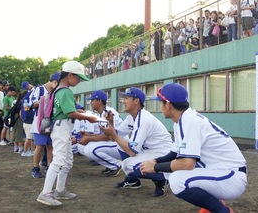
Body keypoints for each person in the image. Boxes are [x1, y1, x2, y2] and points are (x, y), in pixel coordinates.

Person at [140, 83, 247, 213]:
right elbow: (174, 153)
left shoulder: (189, 121)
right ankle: (215, 207)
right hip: (221, 172)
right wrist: (155, 161)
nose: (161, 106)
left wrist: (155, 167)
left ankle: (222, 211)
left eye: (161, 103)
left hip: (230, 176)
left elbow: (187, 164)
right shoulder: (183, 120)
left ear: (168, 104)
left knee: (177, 180)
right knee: (173, 173)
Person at [37, 60, 99, 206]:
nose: (79, 81)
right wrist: (88, 117)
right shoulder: (65, 91)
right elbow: (69, 112)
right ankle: (45, 193)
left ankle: (60, 190)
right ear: (70, 75)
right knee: (59, 160)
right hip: (61, 128)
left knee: (67, 161)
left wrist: (79, 112)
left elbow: (65, 111)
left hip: (61, 127)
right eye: (78, 78)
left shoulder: (57, 89)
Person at [99, 87, 173, 197]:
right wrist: (110, 122)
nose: (123, 101)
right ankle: (132, 180)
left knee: (128, 166)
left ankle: (162, 179)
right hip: (149, 150)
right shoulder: (131, 117)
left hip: (162, 153)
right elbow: (116, 136)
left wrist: (113, 134)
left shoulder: (144, 119)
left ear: (136, 101)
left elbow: (132, 151)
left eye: (127, 98)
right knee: (121, 145)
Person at [77, 90, 125, 177]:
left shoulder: (107, 112)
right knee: (81, 146)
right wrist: (89, 135)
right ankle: (110, 165)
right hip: (115, 142)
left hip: (121, 144)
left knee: (90, 150)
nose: (90, 102)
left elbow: (108, 137)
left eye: (92, 100)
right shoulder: (102, 113)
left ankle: (116, 165)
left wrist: (89, 138)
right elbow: (106, 135)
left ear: (99, 101)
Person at [31, 73, 60, 178]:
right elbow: (31, 104)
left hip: (51, 122)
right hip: (40, 122)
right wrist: (44, 100)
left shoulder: (56, 92)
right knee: (40, 146)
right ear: (54, 82)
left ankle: (49, 168)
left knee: (50, 146)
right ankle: (35, 168)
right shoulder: (39, 89)